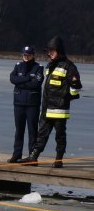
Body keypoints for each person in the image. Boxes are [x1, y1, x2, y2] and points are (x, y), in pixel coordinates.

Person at [25, 36, 82, 168]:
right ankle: (33, 157)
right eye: (48, 51)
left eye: (52, 51)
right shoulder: (50, 65)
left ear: (59, 51)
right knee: (41, 134)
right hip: (46, 108)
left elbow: (76, 89)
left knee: (60, 136)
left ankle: (58, 159)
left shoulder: (69, 66)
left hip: (59, 110)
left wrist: (63, 97)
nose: (49, 54)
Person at [8, 45, 43, 163]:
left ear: (33, 55)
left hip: (32, 104)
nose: (26, 57)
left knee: (32, 131)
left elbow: (36, 84)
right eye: (24, 55)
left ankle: (32, 157)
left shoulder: (38, 68)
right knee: (19, 130)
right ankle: (16, 154)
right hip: (18, 103)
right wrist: (27, 79)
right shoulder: (17, 66)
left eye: (28, 55)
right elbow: (12, 79)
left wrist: (21, 82)